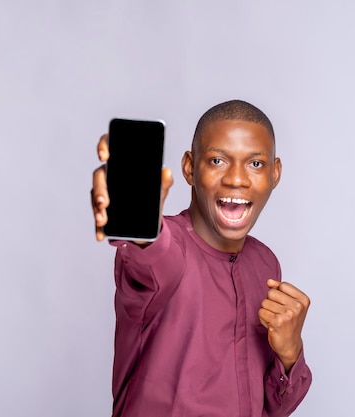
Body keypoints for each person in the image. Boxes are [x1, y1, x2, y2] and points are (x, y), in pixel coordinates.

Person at [91, 100, 312, 417]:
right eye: (218, 160)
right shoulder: (171, 249)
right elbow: (152, 256)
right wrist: (137, 215)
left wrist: (290, 354)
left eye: (255, 164)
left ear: (275, 173)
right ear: (189, 168)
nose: (236, 179)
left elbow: (272, 409)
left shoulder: (266, 265)